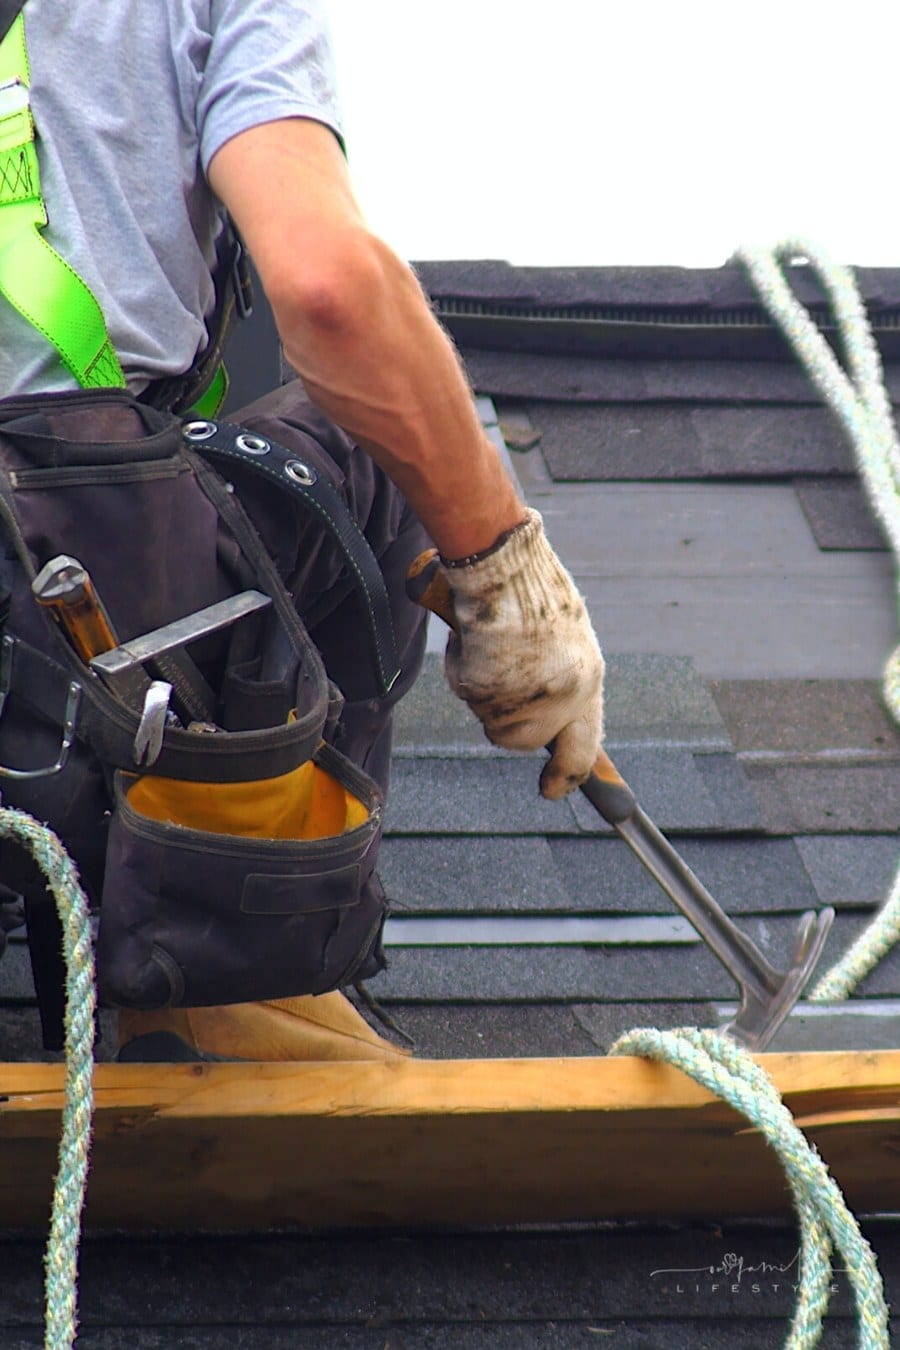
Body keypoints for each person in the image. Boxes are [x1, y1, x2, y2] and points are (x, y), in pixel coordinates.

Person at [0, 1, 604, 1062]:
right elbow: (329, 293)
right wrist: (503, 567)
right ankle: (232, 972)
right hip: (55, 601)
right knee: (367, 444)